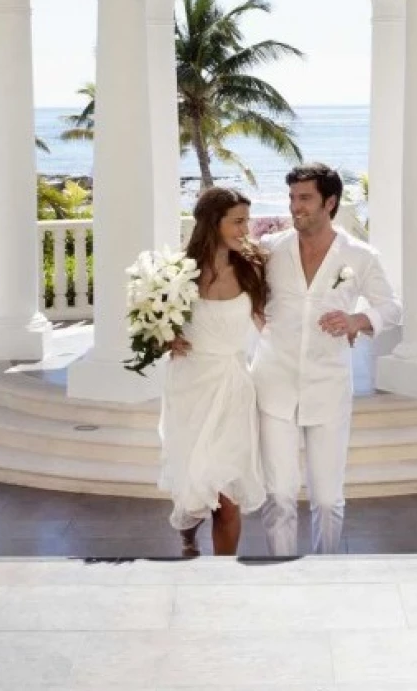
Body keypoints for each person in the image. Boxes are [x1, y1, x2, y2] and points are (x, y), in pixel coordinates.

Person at [251, 162, 401, 554]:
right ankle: (281, 571)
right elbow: (236, 292)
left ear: (329, 202)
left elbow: (391, 307)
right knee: (279, 494)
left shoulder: (359, 255)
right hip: (274, 383)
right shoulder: (270, 250)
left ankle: (326, 572)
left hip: (328, 386)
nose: (294, 207)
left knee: (327, 499)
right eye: (292, 198)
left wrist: (357, 320)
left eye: (304, 198)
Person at [158, 186, 270, 557]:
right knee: (194, 478)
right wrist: (165, 340)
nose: (245, 230)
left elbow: (276, 321)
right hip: (191, 386)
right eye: (237, 222)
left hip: (234, 387)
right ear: (212, 223)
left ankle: (223, 574)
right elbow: (154, 327)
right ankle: (189, 532)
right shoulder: (177, 274)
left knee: (227, 493)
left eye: (247, 221)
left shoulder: (254, 266)